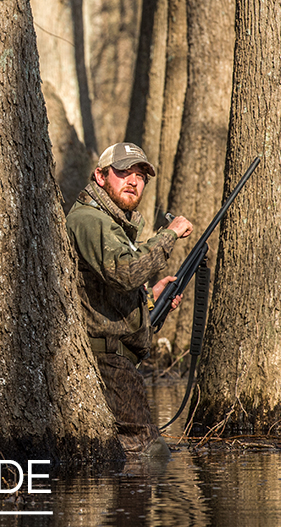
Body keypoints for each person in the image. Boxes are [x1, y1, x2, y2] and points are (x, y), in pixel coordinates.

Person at [65, 142, 193, 455]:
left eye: (140, 175)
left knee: (137, 462)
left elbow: (105, 294)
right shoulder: (91, 220)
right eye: (123, 172)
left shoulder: (110, 224)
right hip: (107, 363)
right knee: (150, 458)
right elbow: (124, 273)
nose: (133, 181)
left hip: (116, 361)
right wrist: (169, 235)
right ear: (100, 176)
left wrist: (150, 301)